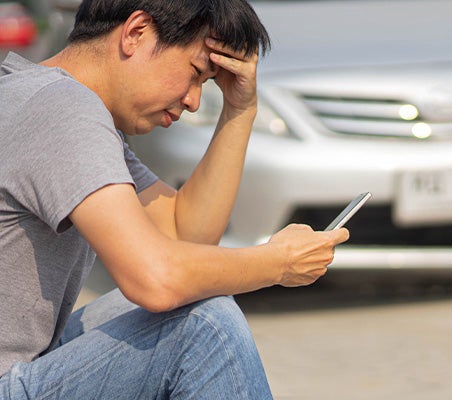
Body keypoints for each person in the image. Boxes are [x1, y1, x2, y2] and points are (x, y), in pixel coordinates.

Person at [0, 0, 349, 398]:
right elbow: (157, 279)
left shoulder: (41, 98)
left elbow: (186, 237)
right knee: (204, 325)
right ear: (136, 33)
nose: (194, 100)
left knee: (199, 295)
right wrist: (278, 262)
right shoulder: (60, 108)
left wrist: (240, 109)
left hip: (26, 367)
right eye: (196, 73)